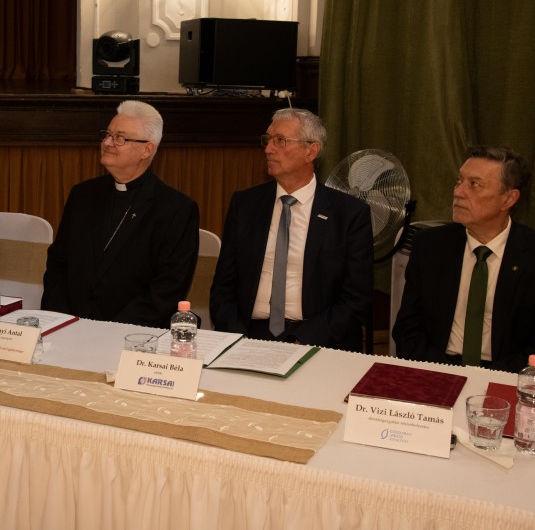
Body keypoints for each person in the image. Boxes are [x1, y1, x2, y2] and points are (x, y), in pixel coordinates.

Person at [392, 146, 535, 377]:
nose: (458, 192)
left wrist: (483, 380)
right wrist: (443, 374)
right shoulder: (430, 246)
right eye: (459, 181)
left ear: (508, 199)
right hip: (437, 368)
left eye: (474, 184)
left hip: (508, 376)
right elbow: (407, 328)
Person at [210, 108, 373, 351]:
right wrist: (238, 339)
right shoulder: (245, 204)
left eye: (280, 140)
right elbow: (223, 287)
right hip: (249, 334)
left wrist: (301, 341)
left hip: (316, 338)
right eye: (267, 140)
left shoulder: (349, 214)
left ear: (311, 151)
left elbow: (356, 299)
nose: (268, 149)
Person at [42, 100, 199, 327]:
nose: (107, 143)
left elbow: (167, 289)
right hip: (70, 327)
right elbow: (58, 265)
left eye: (120, 138)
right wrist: (62, 321)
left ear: (147, 150)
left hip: (133, 333)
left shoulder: (176, 209)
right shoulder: (82, 195)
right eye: (107, 135)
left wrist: (109, 332)